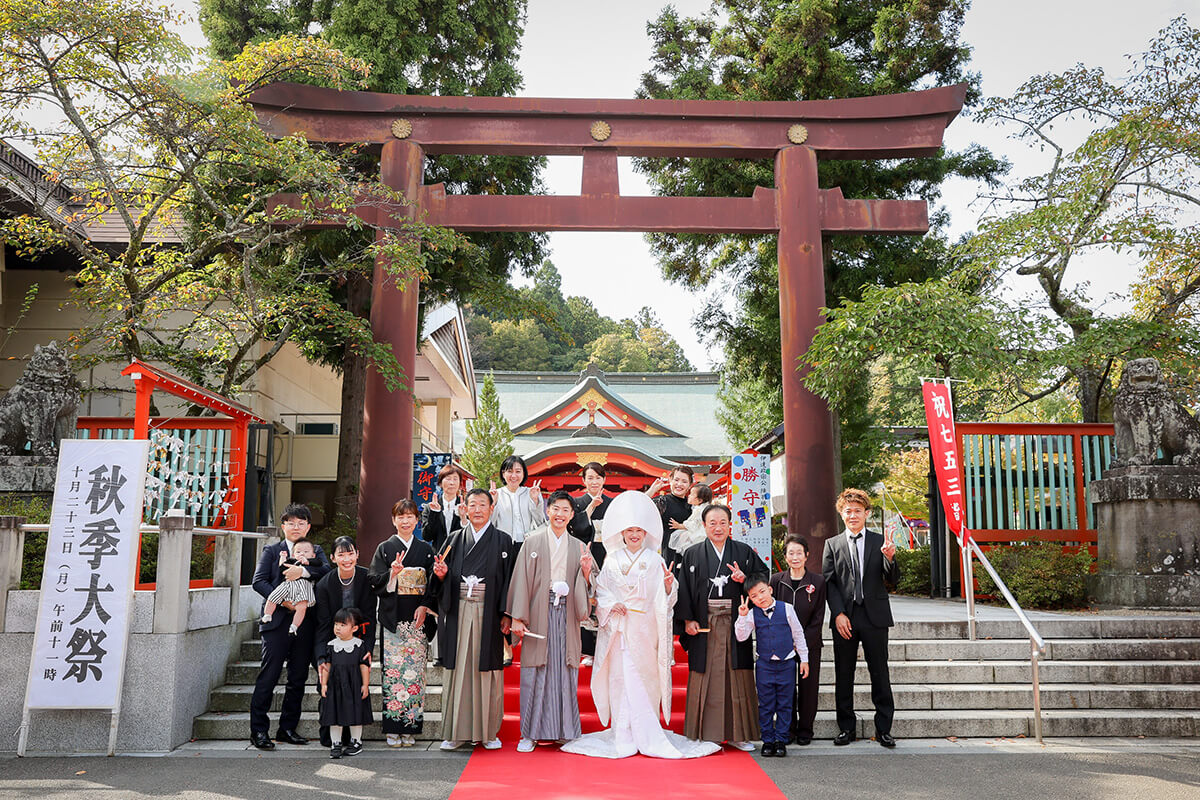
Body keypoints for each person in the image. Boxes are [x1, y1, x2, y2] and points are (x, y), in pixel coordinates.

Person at [561, 491, 719, 760]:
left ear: (646, 533)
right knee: (621, 677)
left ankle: (646, 732)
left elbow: (666, 599)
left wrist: (669, 587)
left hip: (645, 629)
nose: (634, 534)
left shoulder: (655, 560)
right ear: (622, 532)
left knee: (643, 678)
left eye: (639, 530)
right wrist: (611, 604)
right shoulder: (612, 560)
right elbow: (601, 591)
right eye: (629, 530)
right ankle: (622, 732)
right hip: (620, 630)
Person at [507, 490, 596, 752]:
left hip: (566, 613)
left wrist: (587, 571)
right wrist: (518, 618)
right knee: (535, 671)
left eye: (565, 510)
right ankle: (529, 733)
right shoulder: (532, 542)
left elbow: (589, 586)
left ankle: (564, 731)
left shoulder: (578, 546)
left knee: (564, 670)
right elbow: (521, 581)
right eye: (555, 509)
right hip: (537, 612)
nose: (560, 514)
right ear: (548, 510)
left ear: (571, 515)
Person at [429, 488, 517, 750]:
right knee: (458, 671)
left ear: (492, 509)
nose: (477, 509)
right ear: (464, 509)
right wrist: (442, 575)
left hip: (489, 612)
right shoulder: (454, 539)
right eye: (472, 505)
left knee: (487, 670)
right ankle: (456, 732)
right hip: (459, 610)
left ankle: (488, 732)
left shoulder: (503, 541)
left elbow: (510, 581)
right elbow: (438, 577)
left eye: (482, 504)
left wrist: (507, 614)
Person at [676, 503, 767, 751]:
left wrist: (744, 579)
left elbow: (762, 579)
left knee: (737, 677)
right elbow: (683, 588)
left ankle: (739, 734)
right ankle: (708, 732)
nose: (718, 527)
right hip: (705, 623)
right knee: (707, 675)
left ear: (730, 525)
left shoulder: (743, 551)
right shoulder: (693, 553)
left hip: (737, 620)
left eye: (723, 522)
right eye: (712, 523)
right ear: (704, 526)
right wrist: (687, 620)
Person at [249, 503, 331, 750]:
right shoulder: (272, 551)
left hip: (304, 624)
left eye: (302, 523)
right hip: (276, 623)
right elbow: (258, 581)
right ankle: (259, 731)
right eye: (291, 523)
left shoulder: (315, 551)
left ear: (308, 526)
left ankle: (287, 729)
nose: (296, 527)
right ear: (283, 526)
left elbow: (326, 572)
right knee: (269, 675)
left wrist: (303, 572)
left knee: (297, 678)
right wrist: (283, 600)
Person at [823, 488, 899, 748]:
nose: (852, 515)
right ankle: (846, 728)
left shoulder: (880, 542)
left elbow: (893, 580)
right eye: (848, 511)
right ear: (841, 514)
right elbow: (829, 583)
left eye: (857, 511)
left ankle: (884, 729)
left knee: (880, 673)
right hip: (846, 618)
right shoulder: (832, 545)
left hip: (875, 617)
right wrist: (838, 613)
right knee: (844, 674)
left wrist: (890, 558)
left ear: (867, 513)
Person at [369, 499, 436, 747]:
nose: (405, 521)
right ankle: (392, 728)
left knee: (416, 674)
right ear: (393, 520)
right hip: (394, 618)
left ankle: (410, 727)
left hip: (417, 618)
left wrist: (425, 605)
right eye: (401, 517)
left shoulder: (426, 550)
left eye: (410, 517)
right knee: (394, 673)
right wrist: (393, 575)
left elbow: (433, 584)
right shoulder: (385, 548)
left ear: (417, 521)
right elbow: (374, 579)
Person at [734, 577, 810, 758]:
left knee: (785, 704)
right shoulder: (752, 614)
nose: (759, 598)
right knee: (766, 704)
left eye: (762, 592)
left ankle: (781, 740)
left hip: (787, 663)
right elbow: (741, 637)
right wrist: (742, 616)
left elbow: (798, 635)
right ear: (750, 600)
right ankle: (767, 740)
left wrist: (804, 659)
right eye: (754, 596)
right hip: (764, 665)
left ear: (770, 589)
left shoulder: (787, 609)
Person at [314, 536, 378, 748]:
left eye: (350, 553)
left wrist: (368, 648)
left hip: (357, 642)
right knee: (329, 689)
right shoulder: (325, 584)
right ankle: (332, 734)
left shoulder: (366, 578)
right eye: (341, 555)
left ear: (357, 555)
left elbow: (370, 617)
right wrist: (321, 656)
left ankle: (355, 737)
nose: (347, 559)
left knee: (356, 687)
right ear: (333, 558)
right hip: (333, 643)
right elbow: (322, 625)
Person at [769, 534, 826, 746]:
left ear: (807, 555)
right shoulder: (776, 581)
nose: (795, 557)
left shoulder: (818, 582)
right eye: (790, 553)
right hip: (783, 646)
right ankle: (788, 728)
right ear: (785, 556)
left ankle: (805, 730)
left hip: (810, 646)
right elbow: (772, 613)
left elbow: (818, 617)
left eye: (799, 553)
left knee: (808, 688)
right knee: (785, 688)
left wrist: (801, 644)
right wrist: (787, 642)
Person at [569, 461, 613, 663]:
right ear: (583, 480)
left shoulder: (611, 502)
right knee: (585, 597)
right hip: (585, 552)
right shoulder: (576, 502)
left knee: (605, 598)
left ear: (604, 479)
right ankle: (587, 649)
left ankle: (606, 648)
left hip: (607, 553)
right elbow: (575, 527)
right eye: (590, 477)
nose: (594, 481)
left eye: (598, 477)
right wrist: (589, 508)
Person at [317, 607, 373, 759]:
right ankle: (336, 743)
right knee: (334, 715)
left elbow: (364, 666)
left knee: (355, 713)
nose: (338, 628)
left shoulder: (359, 645)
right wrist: (324, 684)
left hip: (354, 684)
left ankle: (356, 742)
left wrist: (365, 685)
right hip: (335, 686)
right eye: (336, 624)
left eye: (343, 625)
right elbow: (327, 667)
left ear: (354, 628)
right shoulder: (331, 645)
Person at [260, 539, 318, 635]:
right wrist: (283, 557)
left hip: (303, 586)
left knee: (301, 607)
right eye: (298, 552)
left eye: (306, 552)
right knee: (273, 597)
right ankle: (267, 615)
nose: (302, 554)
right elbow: (282, 567)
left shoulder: (313, 562)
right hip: (288, 585)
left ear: (313, 555)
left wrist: (307, 562)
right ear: (294, 554)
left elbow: (319, 565)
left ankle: (294, 626)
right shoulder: (292, 561)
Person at [491, 454, 546, 548]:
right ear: (503, 474)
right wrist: (493, 503)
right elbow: (490, 523)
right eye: (509, 471)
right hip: (503, 544)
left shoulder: (531, 492)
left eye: (518, 471)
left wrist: (535, 500)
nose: (514, 475)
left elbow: (539, 522)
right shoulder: (496, 494)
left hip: (527, 544)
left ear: (523, 473)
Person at [646, 465, 693, 568]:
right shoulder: (663, 502)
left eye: (684, 481)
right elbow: (639, 508)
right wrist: (652, 490)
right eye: (676, 480)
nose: (679, 484)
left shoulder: (693, 505)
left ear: (690, 485)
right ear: (670, 480)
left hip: (690, 555)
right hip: (669, 555)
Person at [422, 464, 468, 552]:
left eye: (455, 479)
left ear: (459, 484)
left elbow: (471, 535)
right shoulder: (429, 508)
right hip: (438, 557)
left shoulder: (466, 507)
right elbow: (427, 537)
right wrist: (434, 512)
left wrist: (463, 519)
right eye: (448, 478)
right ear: (440, 483)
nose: (452, 483)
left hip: (461, 556)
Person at [667, 482, 712, 556]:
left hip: (699, 536)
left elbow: (693, 525)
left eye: (691, 494)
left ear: (700, 500)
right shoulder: (702, 508)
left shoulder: (699, 510)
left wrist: (679, 525)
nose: (689, 496)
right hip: (703, 535)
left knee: (684, 539)